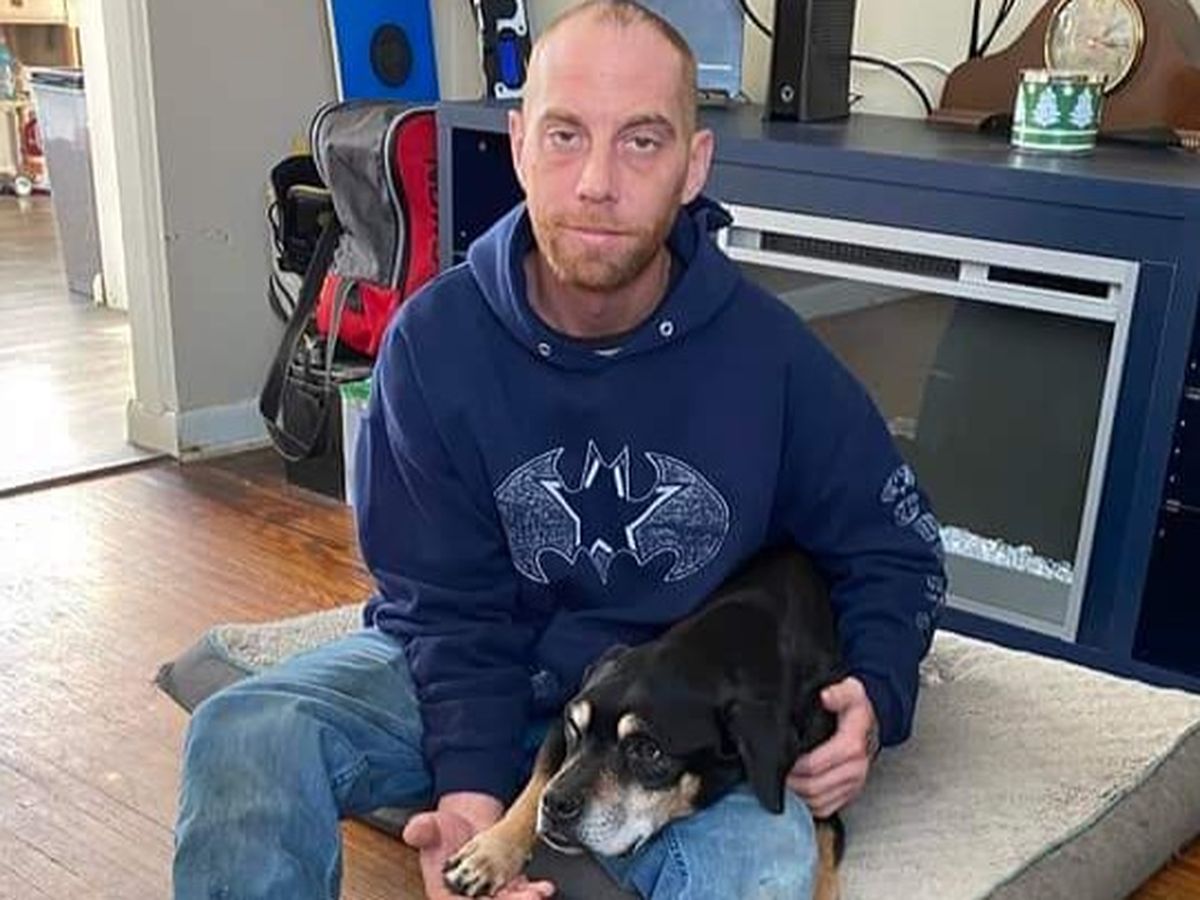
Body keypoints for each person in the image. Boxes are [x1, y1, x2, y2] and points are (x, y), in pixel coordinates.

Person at [172, 2, 946, 898]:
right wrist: (472, 792)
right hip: (465, 677)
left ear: (695, 165)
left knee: (767, 860)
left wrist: (875, 696)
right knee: (247, 729)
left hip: (664, 716)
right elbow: (443, 606)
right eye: (565, 135)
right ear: (518, 147)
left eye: (642, 142)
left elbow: (895, 551)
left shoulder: (773, 359)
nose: (597, 183)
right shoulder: (433, 343)